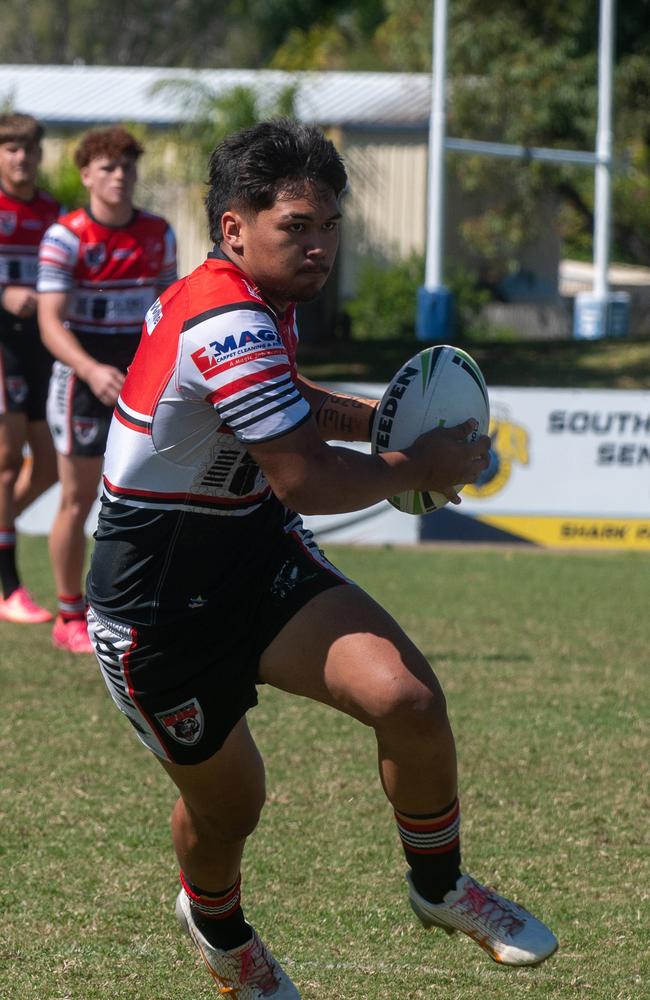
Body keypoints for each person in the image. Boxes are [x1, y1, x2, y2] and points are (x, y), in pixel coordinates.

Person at [85, 120, 557, 997]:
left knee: (408, 701)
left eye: (328, 225)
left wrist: (386, 423)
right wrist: (419, 465)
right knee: (234, 808)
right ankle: (219, 928)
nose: (318, 245)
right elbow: (302, 478)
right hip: (154, 608)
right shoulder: (225, 319)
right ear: (234, 229)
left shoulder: (250, 304)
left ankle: (439, 884)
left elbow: (289, 404)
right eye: (295, 225)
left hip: (254, 557)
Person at [37, 126, 177, 653]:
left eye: (128, 167)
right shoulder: (66, 236)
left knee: (148, 496)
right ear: (86, 175)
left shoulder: (158, 232)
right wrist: (92, 370)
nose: (120, 177)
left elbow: (169, 313)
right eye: (108, 167)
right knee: (77, 498)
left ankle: (132, 604)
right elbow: (51, 325)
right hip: (80, 382)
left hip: (142, 381)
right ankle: (69, 612)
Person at [0, 113, 60, 625]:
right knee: (5, 460)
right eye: (10, 148)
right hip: (2, 346)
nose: (20, 158)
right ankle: (9, 589)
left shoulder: (53, 214)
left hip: (40, 347)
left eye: (28, 149)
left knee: (49, 466)